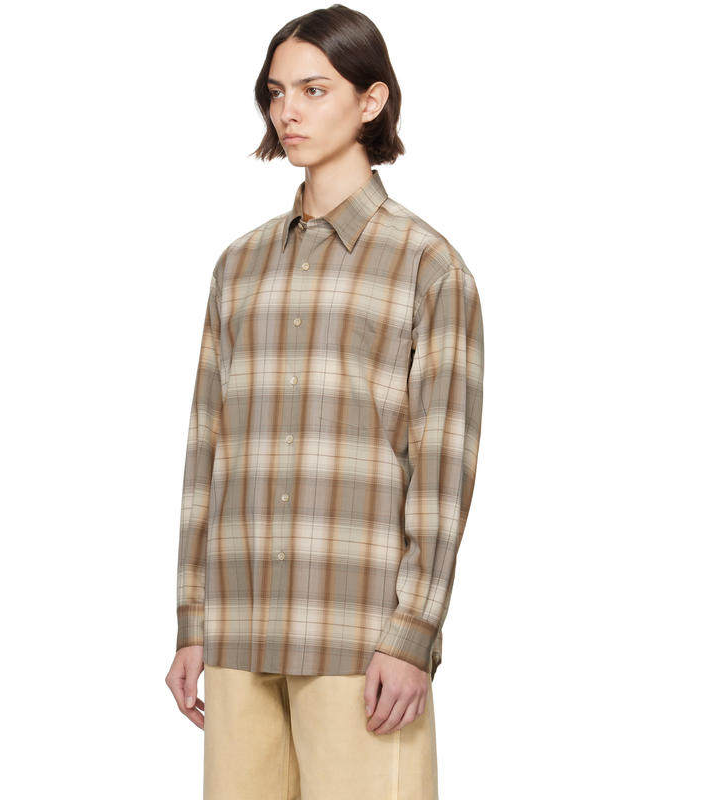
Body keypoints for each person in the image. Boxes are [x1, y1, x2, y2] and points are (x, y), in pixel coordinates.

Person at [165, 5, 484, 798]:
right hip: (240, 633)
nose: (289, 112)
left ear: (371, 101)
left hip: (357, 639)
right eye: (277, 92)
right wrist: (192, 621)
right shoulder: (238, 267)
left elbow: (442, 469)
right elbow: (207, 450)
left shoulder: (428, 267)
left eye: (314, 89)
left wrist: (413, 635)